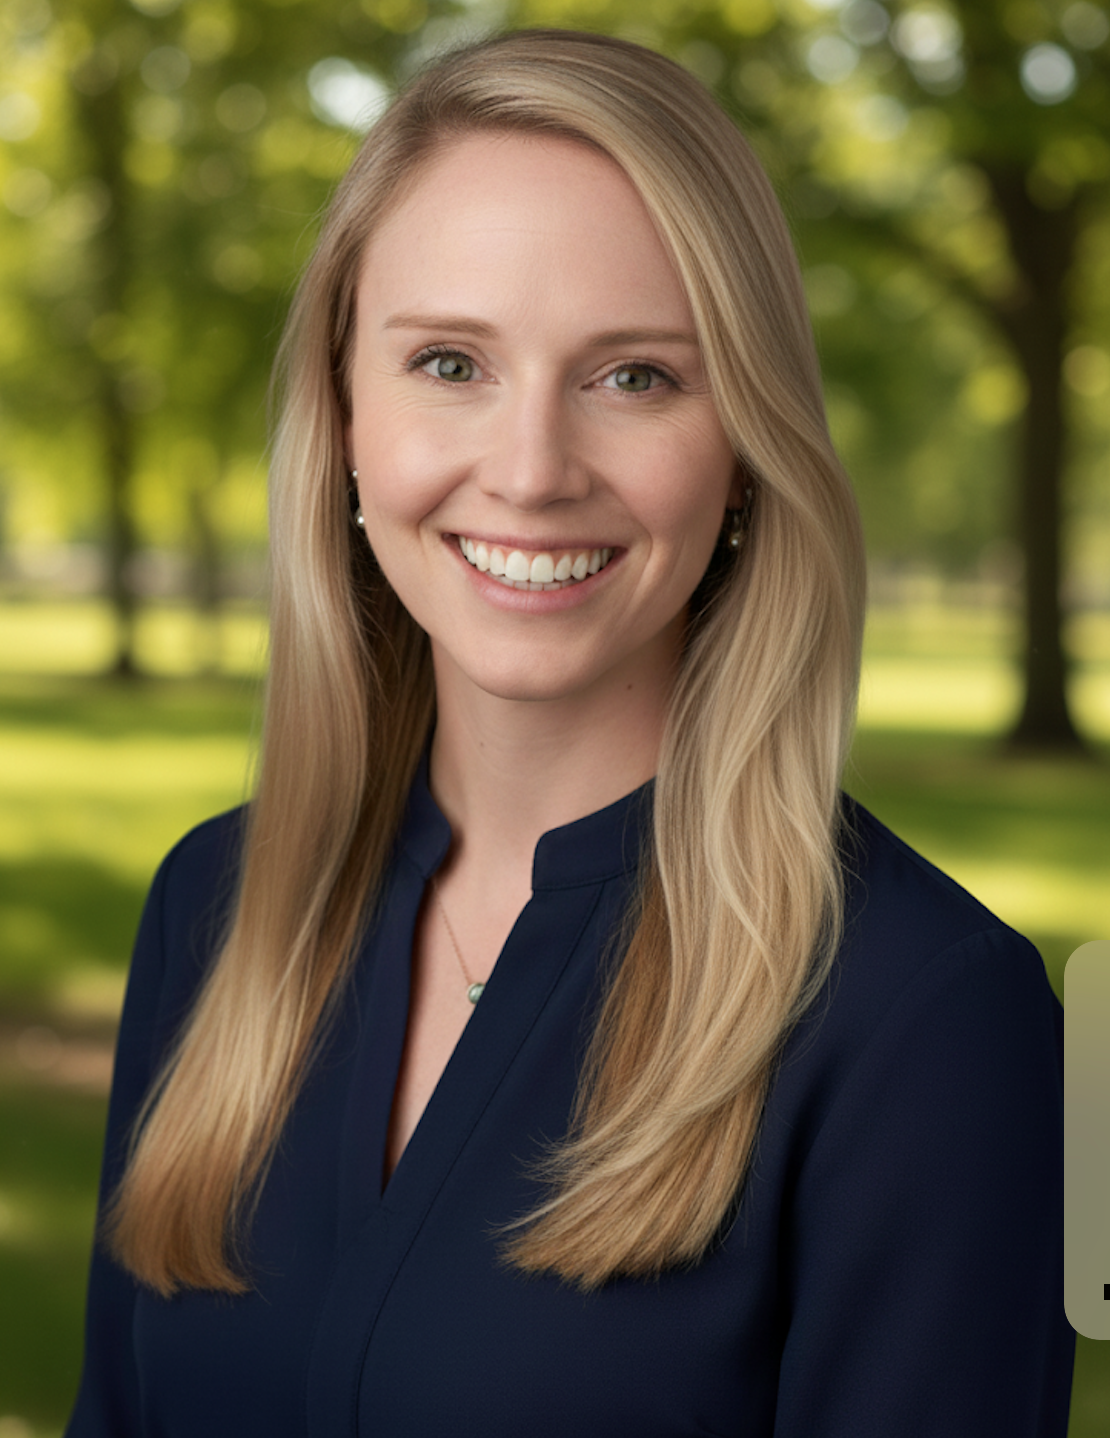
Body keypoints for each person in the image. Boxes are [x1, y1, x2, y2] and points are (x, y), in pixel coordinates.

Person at [66, 29, 1073, 1437]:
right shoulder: (213, 910)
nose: (532, 471)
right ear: (343, 415)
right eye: (447, 361)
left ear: (742, 450)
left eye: (635, 377)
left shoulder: (924, 1017)